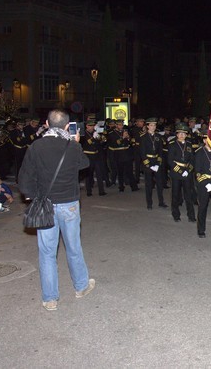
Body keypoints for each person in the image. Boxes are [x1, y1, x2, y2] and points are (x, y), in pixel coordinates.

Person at [18, 109, 95, 311]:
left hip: (46, 205)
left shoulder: (36, 146)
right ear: (68, 126)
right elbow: (85, 164)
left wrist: (32, 195)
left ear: (46, 123)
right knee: (73, 247)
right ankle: (81, 286)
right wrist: (77, 143)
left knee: (47, 252)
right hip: (69, 203)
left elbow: (25, 177)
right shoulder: (72, 146)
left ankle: (50, 298)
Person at [167, 122, 196, 222]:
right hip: (176, 173)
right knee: (175, 194)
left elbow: (192, 159)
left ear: (187, 134)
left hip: (187, 173)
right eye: (179, 133)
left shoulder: (189, 144)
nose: (181, 135)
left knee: (188, 195)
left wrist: (188, 170)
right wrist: (180, 171)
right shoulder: (172, 144)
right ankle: (176, 214)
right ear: (176, 134)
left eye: (184, 133)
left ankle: (191, 215)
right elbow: (170, 161)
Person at [139, 118, 166, 210]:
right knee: (149, 184)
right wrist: (148, 164)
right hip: (148, 162)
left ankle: (161, 202)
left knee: (159, 183)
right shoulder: (143, 137)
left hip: (156, 161)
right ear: (147, 126)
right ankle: (149, 203)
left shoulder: (158, 136)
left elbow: (160, 151)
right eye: (151, 125)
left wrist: (158, 163)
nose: (153, 127)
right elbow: (142, 153)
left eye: (154, 125)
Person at [107, 120, 139, 193]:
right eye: (119, 125)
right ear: (116, 125)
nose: (121, 126)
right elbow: (114, 143)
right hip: (118, 154)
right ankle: (121, 187)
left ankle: (134, 186)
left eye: (122, 125)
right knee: (120, 172)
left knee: (130, 171)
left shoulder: (125, 131)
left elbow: (130, 142)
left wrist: (128, 138)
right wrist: (122, 137)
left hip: (127, 154)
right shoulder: (111, 133)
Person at [80, 120, 107, 197]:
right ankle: (89, 191)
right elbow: (87, 143)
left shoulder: (95, 133)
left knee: (99, 173)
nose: (92, 127)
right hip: (88, 156)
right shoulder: (83, 134)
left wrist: (100, 137)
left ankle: (101, 191)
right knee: (88, 174)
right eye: (90, 126)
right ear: (87, 126)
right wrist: (93, 138)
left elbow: (103, 141)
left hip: (96, 155)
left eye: (93, 126)